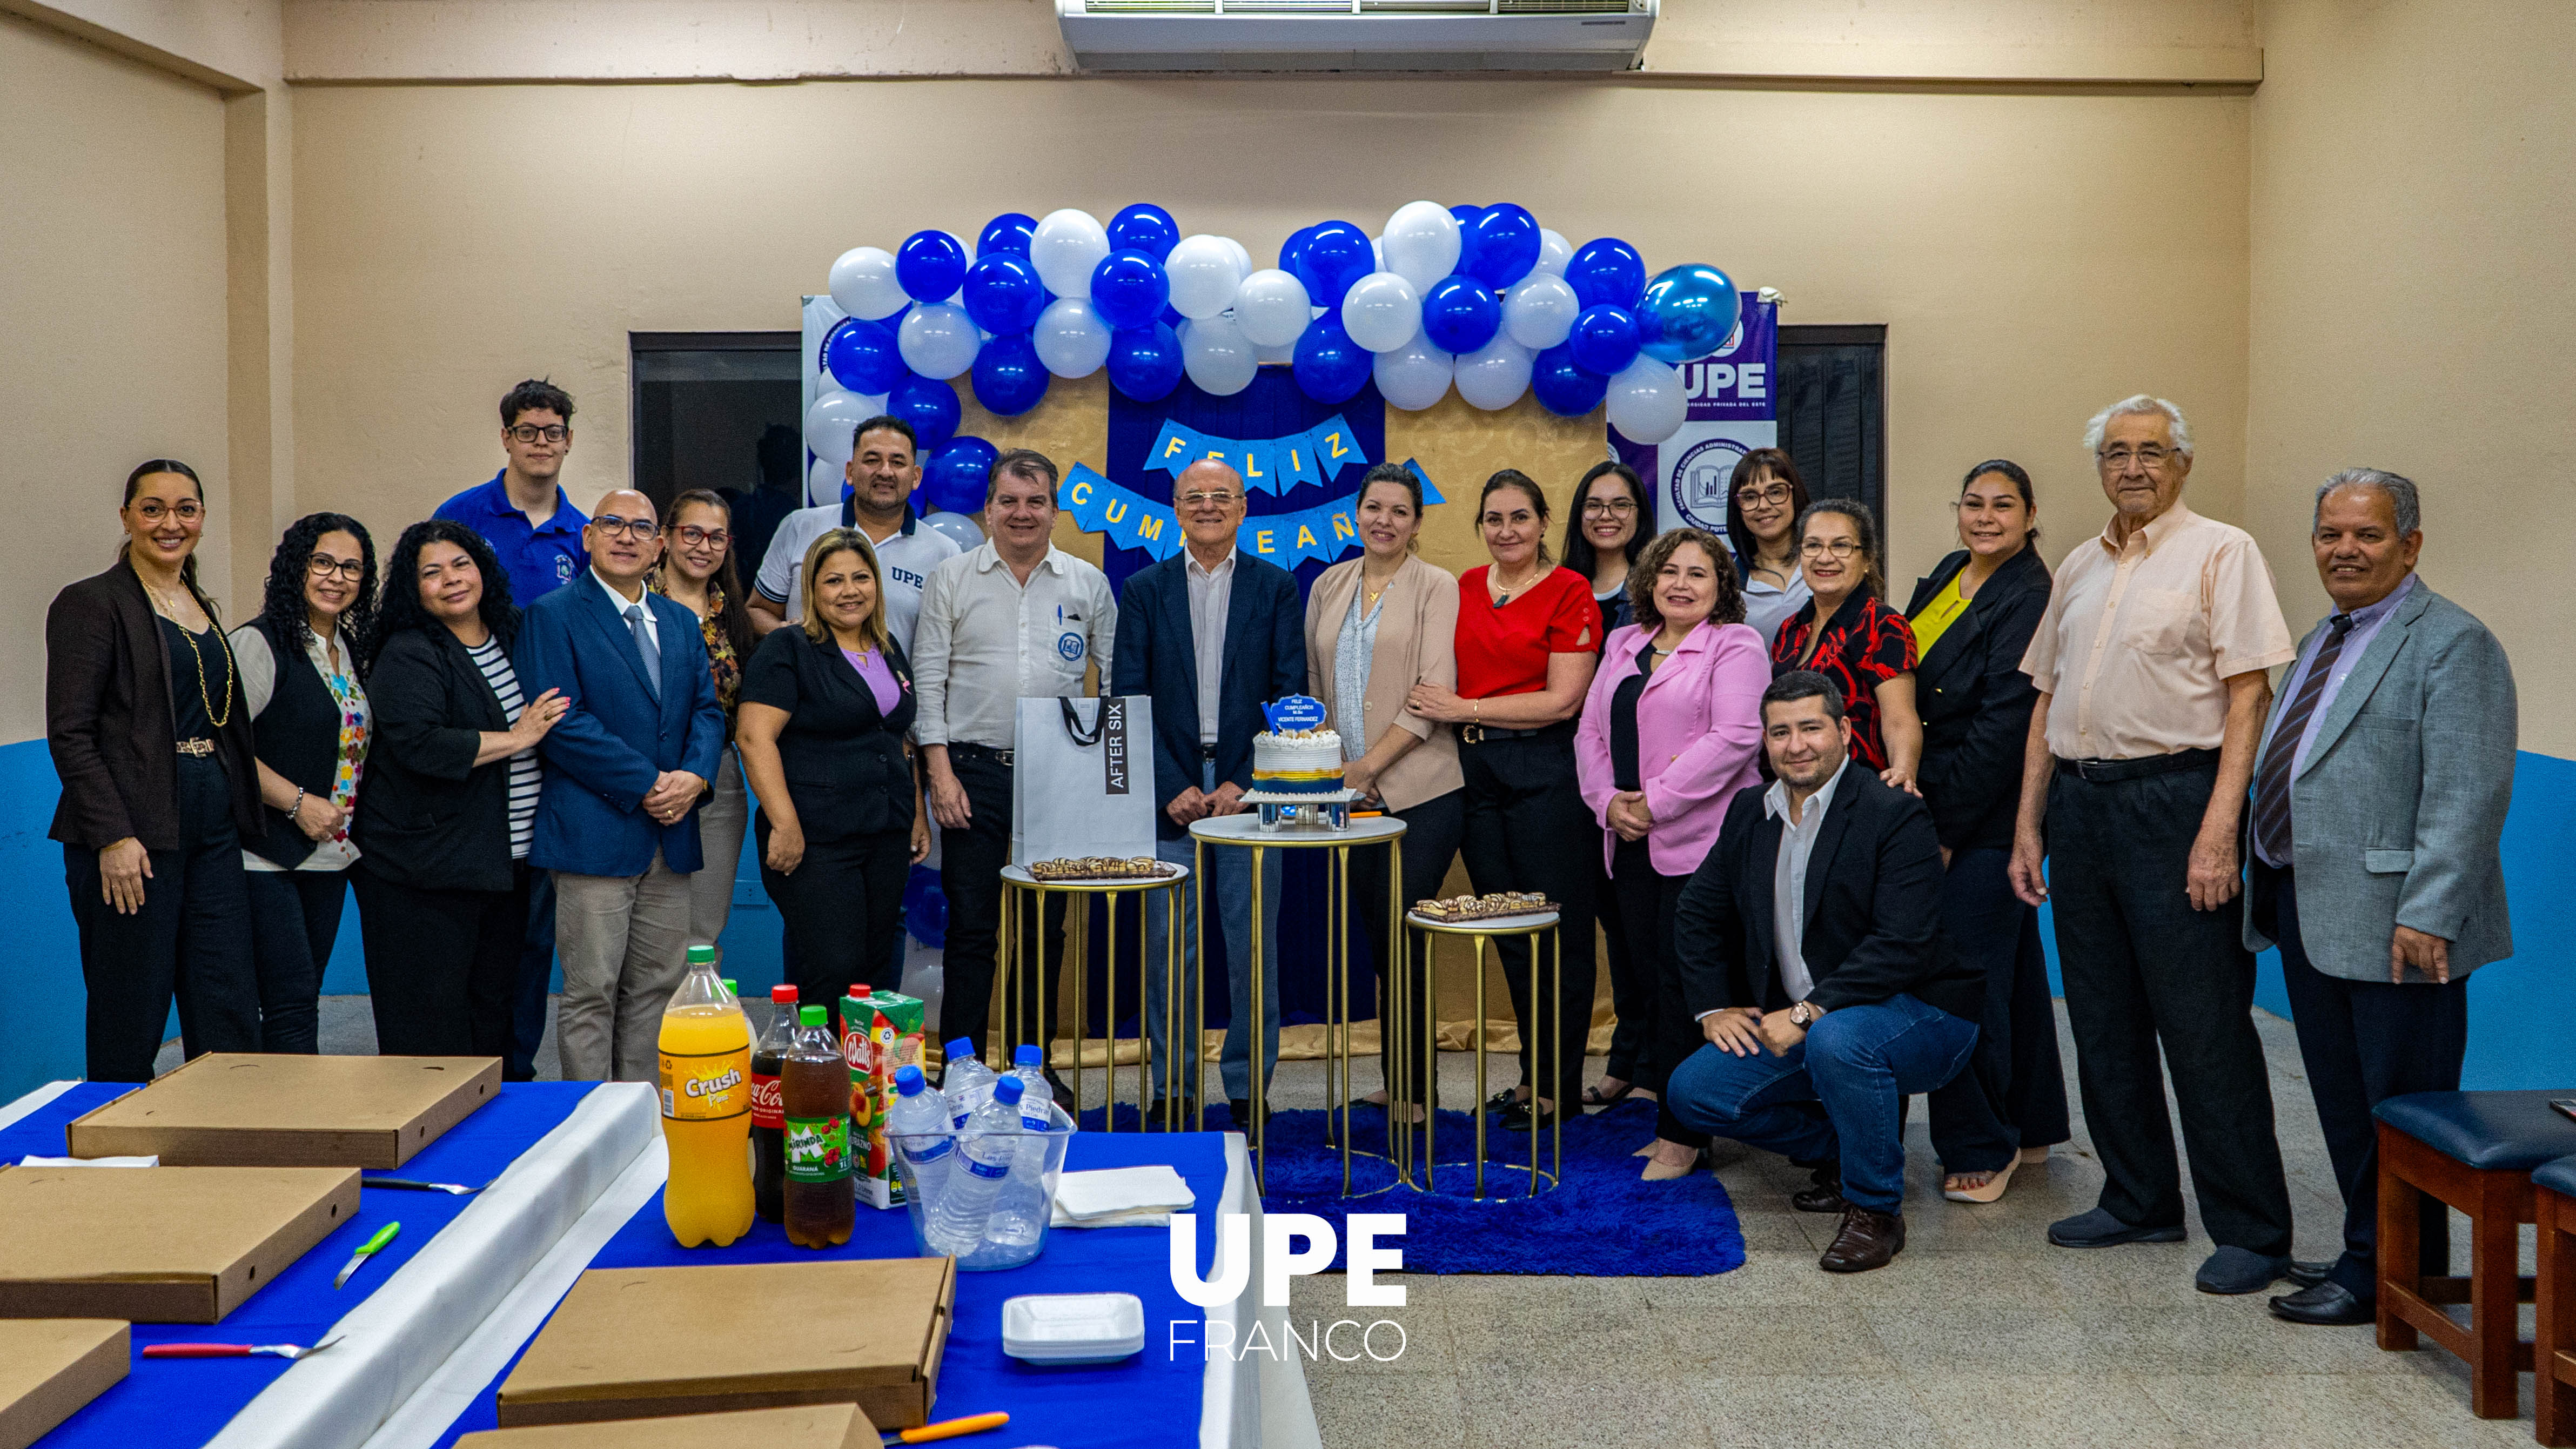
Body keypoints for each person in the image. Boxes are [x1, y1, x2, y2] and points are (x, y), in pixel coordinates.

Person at [2009, 393, 2306, 1296]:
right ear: (2098, 466)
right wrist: (2028, 822)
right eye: (2115, 452)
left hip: (2177, 803)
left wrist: (2221, 830)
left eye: (2149, 451)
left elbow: (2245, 697)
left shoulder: (2222, 550)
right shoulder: (2074, 565)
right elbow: (2043, 699)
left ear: (2181, 463)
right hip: (2080, 806)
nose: (2130, 466)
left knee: (2202, 1021)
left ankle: (2251, 1229)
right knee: (2099, 1016)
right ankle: (2137, 1197)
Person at [2250, 470, 2516, 1327]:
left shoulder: (2451, 641)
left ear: (2411, 543)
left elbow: (2468, 793)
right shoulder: (2322, 637)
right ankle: (2373, 1253)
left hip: (2401, 922)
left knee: (2402, 1106)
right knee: (2341, 1094)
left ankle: (2392, 1270)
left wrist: (2429, 910)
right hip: (2310, 904)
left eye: (2366, 535)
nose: (2344, 550)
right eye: (2330, 534)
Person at [1665, 672, 1983, 1273]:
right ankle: (1852, 1149)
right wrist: (1713, 1008)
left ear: (1842, 731)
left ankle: (1875, 1210)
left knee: (1838, 1038)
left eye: (1810, 727)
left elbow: (1903, 944)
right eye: (1779, 732)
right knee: (1694, 1093)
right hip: (1809, 1018)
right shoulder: (1748, 812)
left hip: (1924, 1011)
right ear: (1764, 742)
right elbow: (1697, 910)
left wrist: (1811, 1011)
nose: (1796, 745)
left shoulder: (1892, 812)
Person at [46, 460, 263, 1081]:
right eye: (153, 508)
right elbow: (71, 733)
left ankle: (228, 1141)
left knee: (226, 1002)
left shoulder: (197, 601)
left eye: (186, 509)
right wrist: (113, 836)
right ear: (126, 518)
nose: (171, 523)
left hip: (212, 831)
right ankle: (117, 1163)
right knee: (130, 1010)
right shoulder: (91, 603)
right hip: (132, 837)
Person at [1404, 470, 1599, 1131]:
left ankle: (1559, 1089)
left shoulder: (1571, 590)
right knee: (1508, 932)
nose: (1506, 530)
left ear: (1544, 523)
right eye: (1493, 519)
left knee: (1557, 933)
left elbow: (1562, 699)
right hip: (1474, 770)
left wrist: (1463, 708)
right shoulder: (1461, 589)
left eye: (1520, 517)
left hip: (1545, 768)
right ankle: (1529, 1078)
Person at [914, 450, 1117, 1075]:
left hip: (1057, 772)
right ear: (988, 509)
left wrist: (1099, 780)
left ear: (1055, 511)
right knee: (971, 928)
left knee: (1043, 929)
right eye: (1009, 502)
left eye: (1035, 502)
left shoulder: (1087, 583)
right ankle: (964, 1068)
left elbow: (1112, 684)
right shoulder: (952, 577)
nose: (1022, 514)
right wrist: (939, 773)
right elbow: (928, 678)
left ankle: (1034, 1069)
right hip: (969, 772)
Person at [1574, 527, 1767, 1179]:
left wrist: (1654, 801)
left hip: (1701, 844)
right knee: (1650, 983)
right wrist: (1607, 803)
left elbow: (1737, 736)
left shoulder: (1736, 645)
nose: (1681, 584)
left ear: (1721, 589)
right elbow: (1589, 730)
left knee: (1695, 987)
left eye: (1699, 574)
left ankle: (1687, 1134)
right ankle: (1670, 1119)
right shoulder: (1623, 642)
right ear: (1650, 581)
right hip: (1626, 840)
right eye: (1670, 572)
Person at [1115, 459, 1302, 1127]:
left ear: (1244, 508)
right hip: (1172, 798)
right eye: (1194, 497)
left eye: (1220, 496)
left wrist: (1242, 782)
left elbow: (1289, 696)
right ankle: (1174, 1090)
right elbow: (1126, 697)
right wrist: (1173, 786)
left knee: (1253, 946)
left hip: (1248, 799)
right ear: (1174, 506)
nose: (1207, 507)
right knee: (1170, 950)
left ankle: (1250, 1089)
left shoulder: (1277, 588)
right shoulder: (1143, 590)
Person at [517, 489, 727, 1083]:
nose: (626, 536)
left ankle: (639, 1120)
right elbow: (562, 722)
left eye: (641, 527)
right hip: (594, 834)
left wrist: (694, 776)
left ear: (660, 545)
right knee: (591, 993)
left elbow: (708, 714)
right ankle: (590, 1124)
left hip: (671, 835)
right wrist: (650, 783)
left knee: (657, 990)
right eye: (612, 523)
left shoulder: (683, 623)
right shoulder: (552, 615)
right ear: (587, 537)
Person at [1903, 461, 2069, 1204]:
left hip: (1987, 808)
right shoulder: (1950, 571)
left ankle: (1980, 1143)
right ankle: (2031, 1126)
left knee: (1962, 975)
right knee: (2015, 975)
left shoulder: (2031, 593)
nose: (1986, 516)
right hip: (1941, 790)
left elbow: (2006, 726)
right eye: (1973, 502)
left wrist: (1941, 828)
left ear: (2030, 513)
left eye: (2004, 505)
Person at [354, 522, 568, 1071]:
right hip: (427, 872)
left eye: (460, 565)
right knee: (433, 1023)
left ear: (482, 570)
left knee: (495, 1010)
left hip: (507, 865)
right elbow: (421, 745)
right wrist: (518, 738)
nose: (450, 580)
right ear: (413, 587)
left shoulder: (513, 632)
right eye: (432, 572)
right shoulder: (409, 651)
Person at [435, 377, 589, 1081]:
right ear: (505, 437)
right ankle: (462, 1070)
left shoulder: (582, 534)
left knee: (534, 927)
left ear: (567, 440)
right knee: (471, 925)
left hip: (551, 749)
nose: (541, 444)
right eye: (527, 431)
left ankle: (517, 1067)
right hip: (473, 748)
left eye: (553, 432)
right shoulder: (462, 519)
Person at [1304, 462, 1462, 1118]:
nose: (1384, 521)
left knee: (1405, 934)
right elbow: (1313, 689)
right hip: (1347, 796)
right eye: (1374, 508)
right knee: (1378, 936)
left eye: (1400, 511)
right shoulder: (1327, 583)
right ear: (1357, 513)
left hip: (1420, 791)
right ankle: (1399, 1078)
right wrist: (1331, 767)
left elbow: (1430, 694)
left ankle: (1416, 1094)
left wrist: (1364, 768)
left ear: (1417, 522)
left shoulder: (1436, 586)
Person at [737, 528, 933, 1008]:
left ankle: (862, 1080)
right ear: (812, 590)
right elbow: (752, 736)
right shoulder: (788, 650)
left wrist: (917, 814)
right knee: (832, 968)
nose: (850, 591)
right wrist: (784, 824)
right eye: (833, 581)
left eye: (861, 578)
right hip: (817, 838)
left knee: (875, 970)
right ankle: (815, 1079)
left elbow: (898, 739)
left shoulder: (886, 649)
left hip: (885, 832)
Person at [230, 513, 377, 1055]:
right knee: (289, 1003)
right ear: (297, 567)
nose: (336, 577)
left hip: (328, 857)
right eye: (323, 562)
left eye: (351, 567)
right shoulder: (259, 643)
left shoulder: (349, 648)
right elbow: (227, 749)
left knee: (303, 996)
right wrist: (296, 805)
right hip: (264, 856)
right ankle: (286, 1130)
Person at [1563, 460, 1649, 1110]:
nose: (1606, 516)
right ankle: (1625, 1058)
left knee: (1642, 928)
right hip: (1571, 779)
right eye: (1594, 504)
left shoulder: (1659, 589)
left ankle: (1653, 1063)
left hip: (1640, 783)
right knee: (1604, 926)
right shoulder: (1560, 586)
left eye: (1620, 504)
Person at [651, 489, 757, 972]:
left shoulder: (733, 613)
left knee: (705, 927)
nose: (703, 546)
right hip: (648, 774)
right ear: (667, 540)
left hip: (719, 774)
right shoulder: (636, 601)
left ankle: (695, 1038)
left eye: (717, 537)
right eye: (691, 533)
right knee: (650, 932)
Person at [748, 415, 960, 652]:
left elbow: (948, 646)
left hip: (896, 688)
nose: (885, 472)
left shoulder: (945, 552)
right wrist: (789, 640)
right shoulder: (800, 526)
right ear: (850, 472)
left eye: (898, 463)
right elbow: (758, 611)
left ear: (916, 477)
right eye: (872, 460)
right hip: (805, 685)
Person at [1771, 500, 1922, 790]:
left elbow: (1899, 719)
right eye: (1813, 546)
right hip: (1797, 788)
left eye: (1841, 546)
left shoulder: (1884, 625)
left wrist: (1903, 774)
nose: (1825, 558)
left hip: (1860, 790)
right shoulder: (1789, 630)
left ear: (1866, 560)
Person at [1723, 448, 1813, 645]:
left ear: (1794, 495)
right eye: (1749, 497)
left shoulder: (1826, 564)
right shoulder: (1727, 584)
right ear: (1737, 508)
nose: (1763, 505)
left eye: (1775, 492)